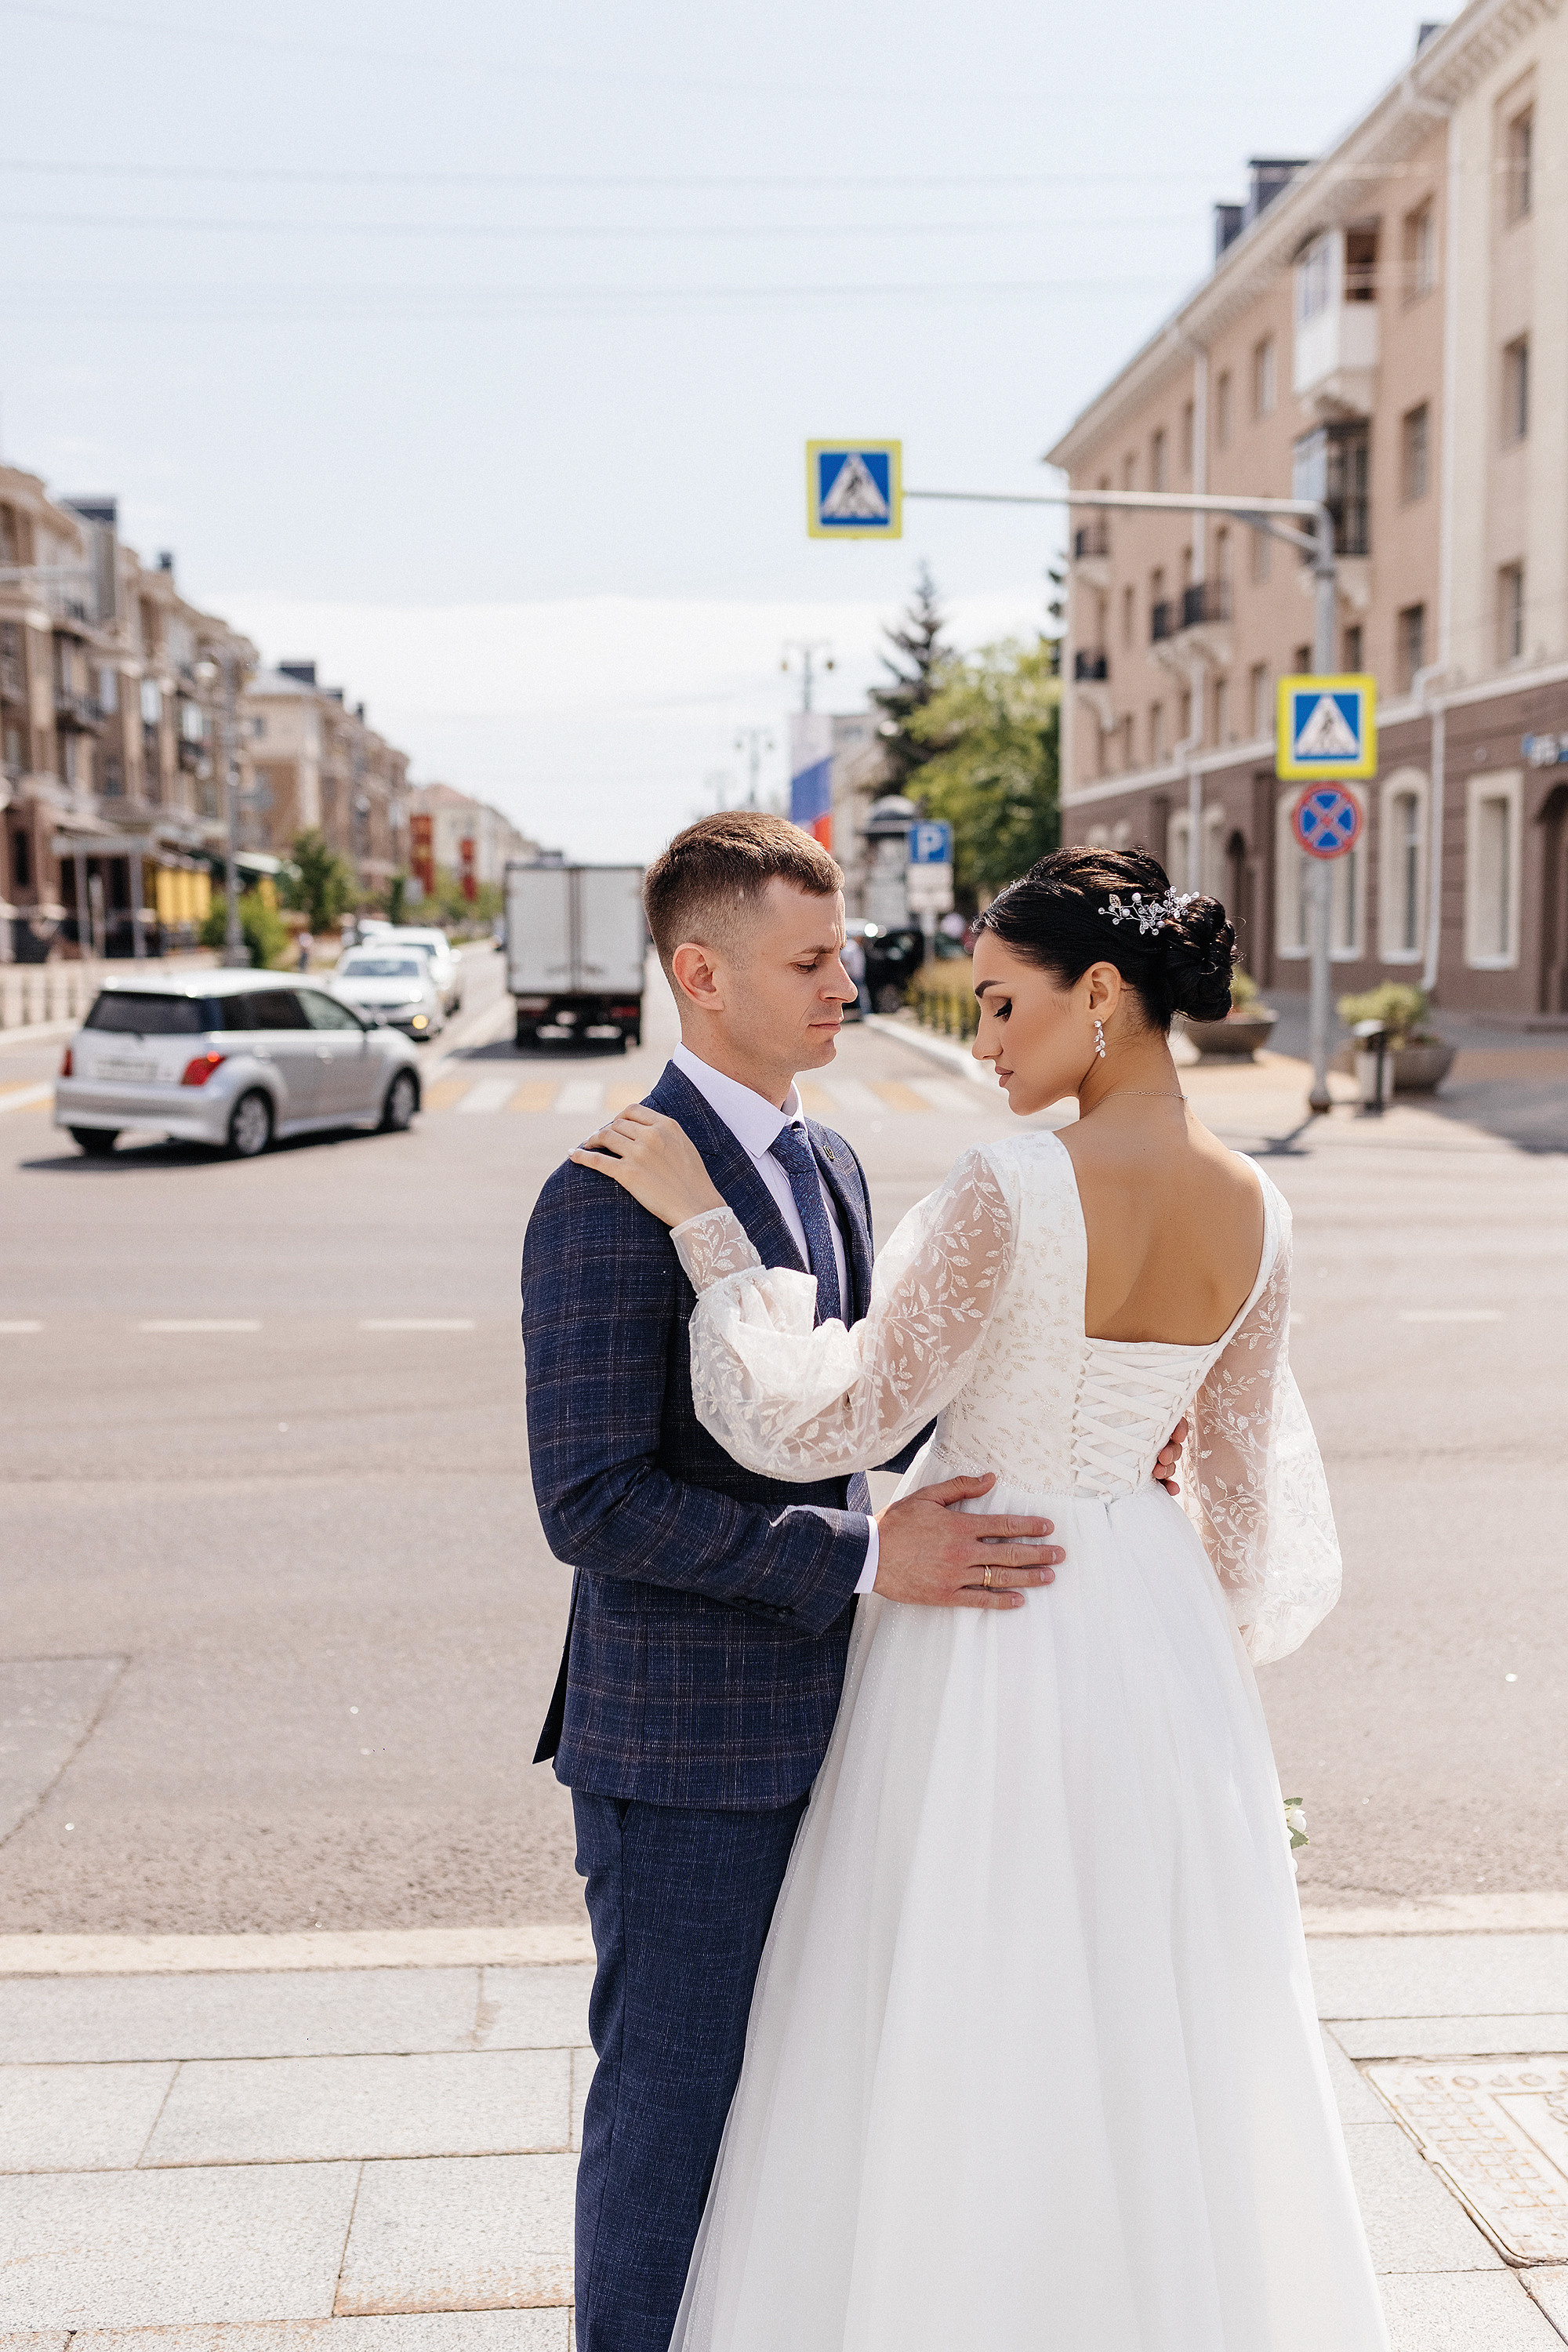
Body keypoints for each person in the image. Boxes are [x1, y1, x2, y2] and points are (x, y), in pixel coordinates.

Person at [571, 844, 1388, 2352]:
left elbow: (821, 1427)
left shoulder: (1014, 1186)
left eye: (1002, 1005)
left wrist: (708, 1234)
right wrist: (1163, 1642)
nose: (981, 1040)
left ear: (1099, 995)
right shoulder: (1263, 1212)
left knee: (956, 2017)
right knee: (1155, 2037)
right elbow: (1248, 1532)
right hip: (1153, 1639)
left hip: (990, 1621)